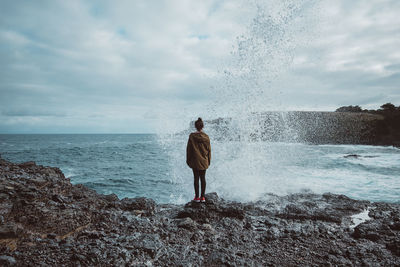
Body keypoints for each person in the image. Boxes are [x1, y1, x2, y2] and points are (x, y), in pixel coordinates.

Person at [186, 118, 211, 203]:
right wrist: (209, 161)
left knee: (196, 178)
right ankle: (203, 197)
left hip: (195, 161)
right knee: (203, 178)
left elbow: (189, 149)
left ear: (195, 126)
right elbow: (209, 150)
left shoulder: (192, 136)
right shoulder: (206, 137)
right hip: (204, 161)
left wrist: (188, 160)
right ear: (202, 126)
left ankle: (197, 197)